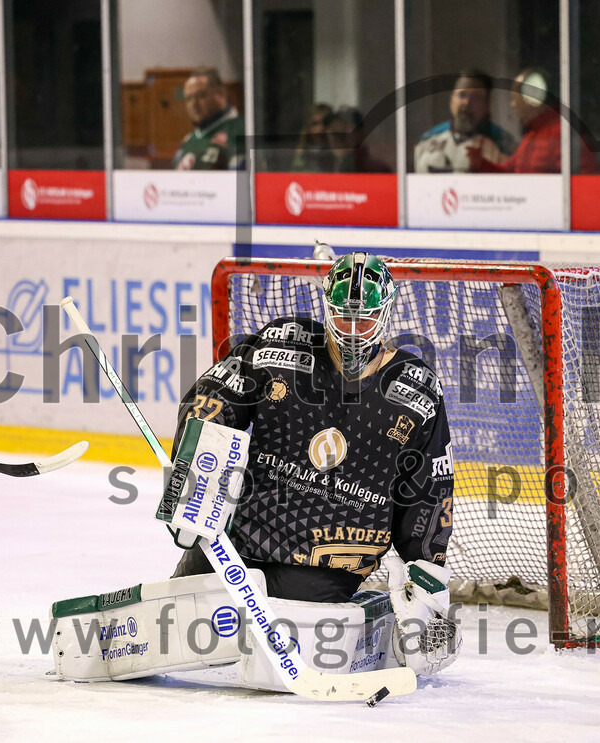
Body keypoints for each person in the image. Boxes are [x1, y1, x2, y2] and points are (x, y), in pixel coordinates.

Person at [171, 249, 455, 610]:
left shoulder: (415, 388)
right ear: (327, 309)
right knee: (182, 611)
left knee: (287, 625)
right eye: (343, 317)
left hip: (328, 561)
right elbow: (213, 400)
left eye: (365, 320)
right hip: (239, 542)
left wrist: (426, 566)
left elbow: (429, 485)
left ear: (385, 315)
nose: (353, 331)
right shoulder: (281, 344)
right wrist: (193, 479)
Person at [468, 66, 598, 174]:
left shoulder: (563, 134)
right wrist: (481, 164)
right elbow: (510, 173)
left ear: (531, 99)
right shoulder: (531, 137)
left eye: (515, 99)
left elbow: (586, 178)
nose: (512, 105)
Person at [414, 69, 516, 173]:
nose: (467, 102)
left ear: (488, 104)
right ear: (451, 100)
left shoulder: (503, 144)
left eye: (475, 97)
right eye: (462, 95)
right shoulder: (428, 139)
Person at [172, 68, 244, 170]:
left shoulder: (241, 131)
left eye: (201, 96)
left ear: (221, 94)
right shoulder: (189, 140)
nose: (193, 104)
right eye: (188, 98)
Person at [328, 106, 392, 173]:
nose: (338, 137)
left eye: (345, 129)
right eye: (334, 130)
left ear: (360, 133)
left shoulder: (378, 170)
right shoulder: (325, 167)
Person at [290, 103, 335, 172]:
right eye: (315, 124)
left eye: (325, 123)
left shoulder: (337, 153)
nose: (321, 128)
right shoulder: (297, 153)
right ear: (308, 127)